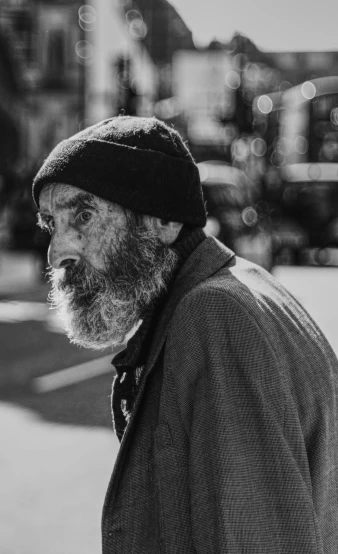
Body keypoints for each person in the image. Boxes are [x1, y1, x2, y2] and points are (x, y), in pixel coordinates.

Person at [32, 116, 338, 553]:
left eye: (83, 215)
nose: (58, 251)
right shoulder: (238, 287)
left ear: (163, 221)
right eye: (51, 224)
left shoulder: (214, 315)